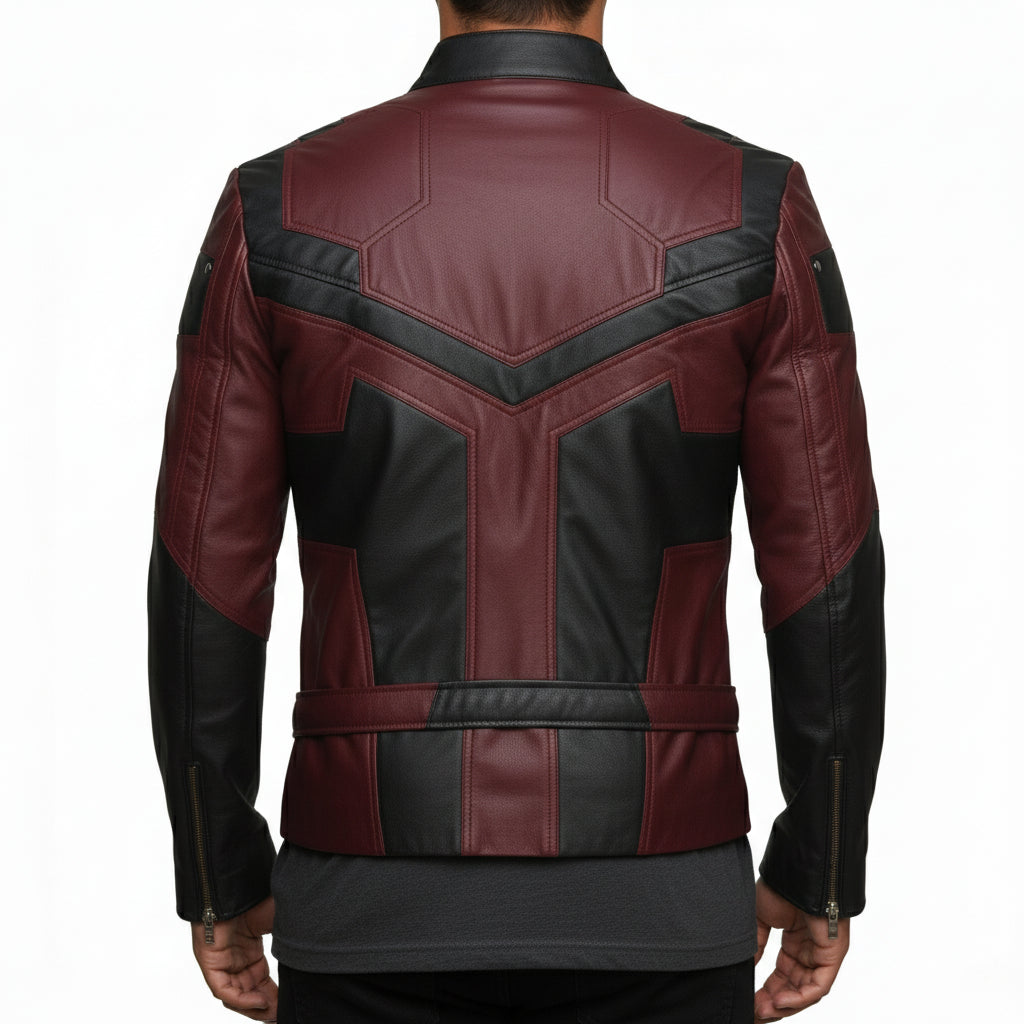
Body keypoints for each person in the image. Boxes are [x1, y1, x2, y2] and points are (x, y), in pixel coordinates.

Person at [147, 1, 887, 1021]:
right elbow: (826, 577)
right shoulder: (750, 206)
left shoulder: (276, 209)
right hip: (660, 903)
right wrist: (822, 864)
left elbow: (205, 579)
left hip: (368, 904)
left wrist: (218, 871)